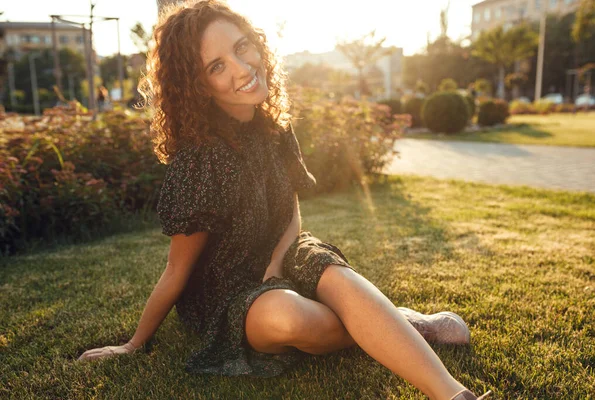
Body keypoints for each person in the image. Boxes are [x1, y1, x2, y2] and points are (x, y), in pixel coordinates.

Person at [77, 1, 491, 399]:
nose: (242, 68)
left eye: (242, 47)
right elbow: (176, 270)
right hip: (229, 291)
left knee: (341, 279)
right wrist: (133, 344)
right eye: (217, 66)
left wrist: (278, 260)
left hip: (287, 250)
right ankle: (401, 322)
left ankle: (454, 394)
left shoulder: (275, 129)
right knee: (291, 318)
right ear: (198, 85)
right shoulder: (198, 159)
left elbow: (291, 206)